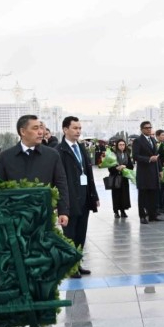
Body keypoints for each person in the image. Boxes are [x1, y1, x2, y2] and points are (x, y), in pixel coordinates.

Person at [0, 115, 69, 228]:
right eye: (35, 128)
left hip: (44, 216)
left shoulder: (52, 155)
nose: (41, 132)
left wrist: (63, 211)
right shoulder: (6, 157)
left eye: (41, 128)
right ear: (23, 131)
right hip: (15, 218)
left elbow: (61, 183)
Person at [57, 116, 99, 278]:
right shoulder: (59, 151)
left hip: (84, 197)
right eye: (75, 128)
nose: (78, 131)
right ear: (65, 129)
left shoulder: (81, 147)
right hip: (70, 199)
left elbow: (88, 173)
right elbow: (59, 179)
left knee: (81, 234)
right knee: (70, 235)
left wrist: (94, 195)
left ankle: (78, 263)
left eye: (80, 128)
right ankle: (71, 266)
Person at [132, 121, 162, 224]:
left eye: (150, 127)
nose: (149, 129)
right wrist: (148, 159)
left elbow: (156, 156)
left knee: (153, 194)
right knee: (143, 195)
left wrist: (160, 170)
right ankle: (142, 216)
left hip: (154, 171)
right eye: (146, 128)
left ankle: (152, 215)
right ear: (141, 129)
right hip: (144, 172)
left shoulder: (153, 140)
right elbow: (135, 156)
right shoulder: (138, 141)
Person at [109, 139, 133, 219]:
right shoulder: (113, 154)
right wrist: (117, 168)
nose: (122, 146)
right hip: (115, 177)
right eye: (120, 145)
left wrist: (125, 166)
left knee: (124, 194)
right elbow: (110, 167)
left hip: (124, 177)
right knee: (116, 195)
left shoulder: (127, 154)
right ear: (117, 145)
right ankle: (116, 211)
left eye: (123, 145)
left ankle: (123, 210)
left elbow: (131, 166)